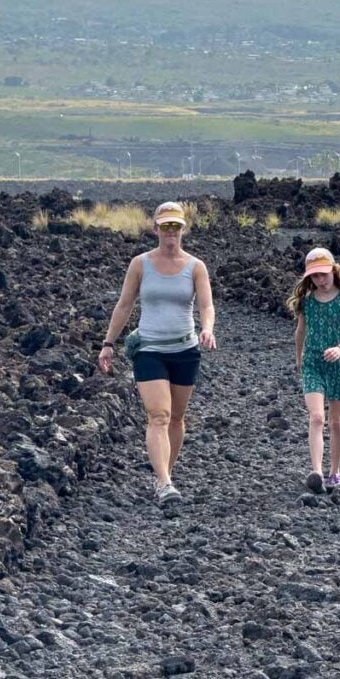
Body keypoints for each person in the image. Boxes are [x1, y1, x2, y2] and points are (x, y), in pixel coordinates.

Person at [98, 201, 216, 504]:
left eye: (176, 226)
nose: (171, 232)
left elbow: (206, 304)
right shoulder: (140, 264)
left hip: (185, 350)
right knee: (159, 415)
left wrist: (207, 328)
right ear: (155, 229)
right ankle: (164, 484)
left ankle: (165, 473)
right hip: (149, 349)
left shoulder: (196, 267)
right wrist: (108, 343)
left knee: (176, 418)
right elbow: (125, 305)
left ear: (183, 229)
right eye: (165, 226)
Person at [287, 247, 340, 493]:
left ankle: (334, 473)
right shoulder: (307, 302)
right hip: (313, 363)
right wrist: (299, 360)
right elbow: (300, 332)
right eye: (315, 276)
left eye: (323, 275)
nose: (320, 280)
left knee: (336, 422)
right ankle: (316, 472)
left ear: (333, 270)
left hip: (337, 364)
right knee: (317, 417)